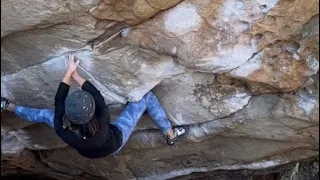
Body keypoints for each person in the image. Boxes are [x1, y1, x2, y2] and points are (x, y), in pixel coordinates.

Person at [1, 54, 188, 158]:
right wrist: (73, 74)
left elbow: (59, 100)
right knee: (145, 97)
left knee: (42, 115)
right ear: (93, 113)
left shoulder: (63, 128)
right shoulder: (104, 120)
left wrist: (69, 73)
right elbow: (95, 94)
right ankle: (170, 134)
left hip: (90, 151)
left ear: (69, 117)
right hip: (116, 140)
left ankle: (8, 106)